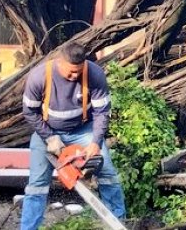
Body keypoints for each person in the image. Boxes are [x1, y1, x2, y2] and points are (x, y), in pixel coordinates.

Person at [20, 41, 126, 230]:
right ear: (59, 62)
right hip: (46, 131)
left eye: (78, 71)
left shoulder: (94, 74)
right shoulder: (39, 76)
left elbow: (102, 112)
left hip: (83, 130)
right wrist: (50, 137)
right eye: (70, 72)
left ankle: (117, 222)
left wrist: (95, 142)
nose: (75, 75)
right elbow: (30, 112)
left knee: (108, 174)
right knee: (37, 185)